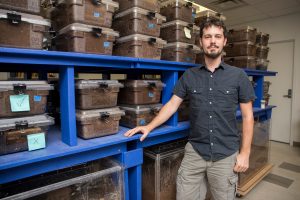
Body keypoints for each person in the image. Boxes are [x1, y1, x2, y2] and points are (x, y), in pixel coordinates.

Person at [124, 19, 255, 200]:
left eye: (217, 36)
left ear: (224, 41)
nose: (212, 41)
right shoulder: (189, 76)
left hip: (225, 155)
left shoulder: (238, 76)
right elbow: (171, 105)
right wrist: (149, 126)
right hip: (195, 152)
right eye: (207, 37)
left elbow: (248, 116)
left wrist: (245, 153)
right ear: (201, 42)